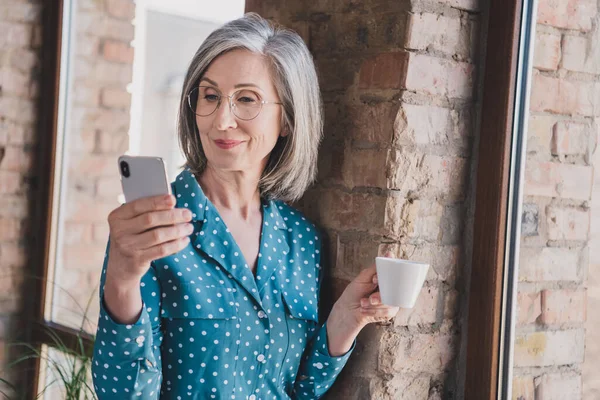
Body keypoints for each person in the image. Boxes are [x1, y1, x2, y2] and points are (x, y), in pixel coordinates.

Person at [91, 13, 399, 399]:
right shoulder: (151, 229)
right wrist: (121, 280)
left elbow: (296, 390)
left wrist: (345, 319)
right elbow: (123, 395)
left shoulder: (302, 241)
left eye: (246, 99)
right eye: (210, 96)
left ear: (286, 118)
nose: (222, 120)